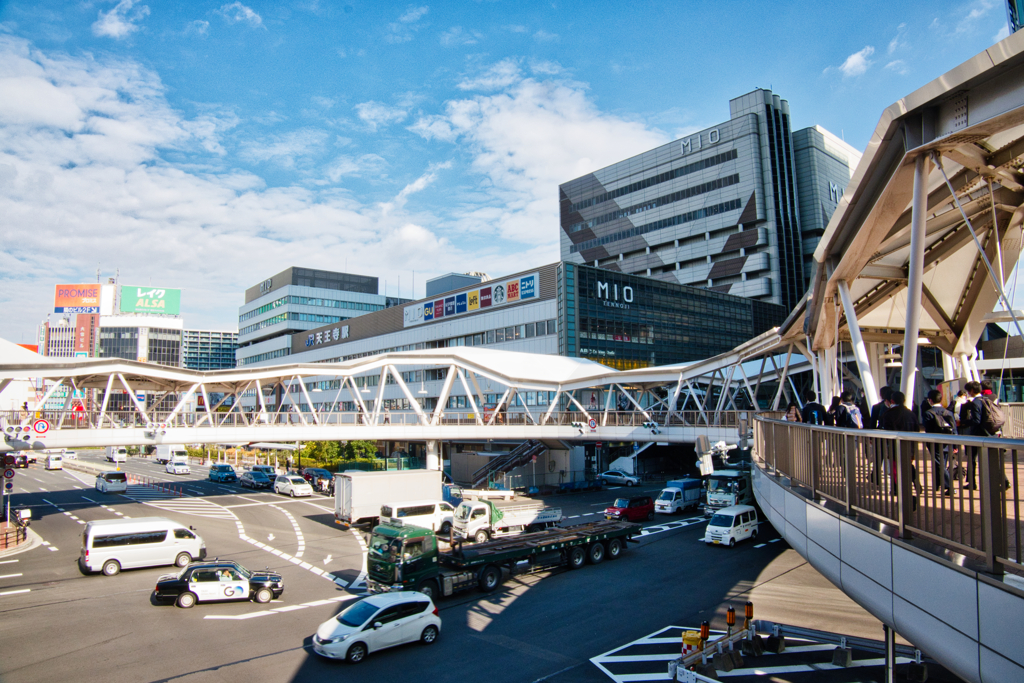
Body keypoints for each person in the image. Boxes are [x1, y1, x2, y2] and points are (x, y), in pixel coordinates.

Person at [922, 389, 957, 495]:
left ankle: (949, 486)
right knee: (942, 463)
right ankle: (937, 484)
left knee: (939, 464)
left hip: (935, 443)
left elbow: (928, 430)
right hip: (948, 441)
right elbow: (954, 430)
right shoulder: (948, 412)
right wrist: (955, 445)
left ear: (930, 400)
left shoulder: (928, 413)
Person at [959, 381, 984, 489]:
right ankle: (1004, 481)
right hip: (988, 434)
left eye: (968, 391)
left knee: (971, 459)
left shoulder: (975, 403)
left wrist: (963, 422)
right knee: (991, 459)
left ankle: (972, 482)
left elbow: (976, 421)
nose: (968, 393)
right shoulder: (986, 400)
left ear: (972, 390)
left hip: (977, 435)